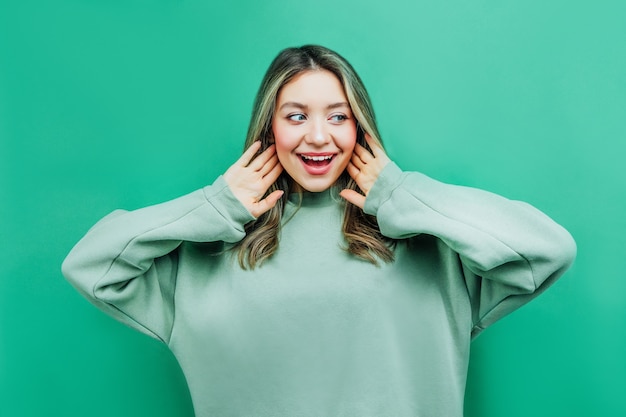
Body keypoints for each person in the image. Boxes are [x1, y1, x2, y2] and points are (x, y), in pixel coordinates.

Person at [62, 45, 576, 417]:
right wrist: (213, 206)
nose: (317, 135)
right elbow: (90, 266)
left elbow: (548, 250)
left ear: (361, 129)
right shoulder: (201, 258)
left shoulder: (433, 250)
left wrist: (401, 196)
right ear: (269, 129)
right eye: (296, 115)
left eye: (338, 116)